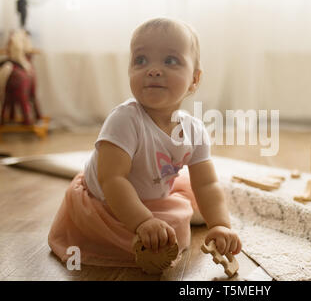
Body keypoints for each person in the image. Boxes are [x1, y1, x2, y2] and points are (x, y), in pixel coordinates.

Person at [48, 17, 242, 268]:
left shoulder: (194, 129)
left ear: (194, 79)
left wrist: (220, 225)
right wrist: (142, 222)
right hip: (106, 203)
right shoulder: (124, 119)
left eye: (170, 61)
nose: (153, 69)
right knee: (147, 237)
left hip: (151, 194)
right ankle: (146, 222)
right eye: (140, 60)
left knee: (189, 204)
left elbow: (206, 184)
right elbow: (112, 180)